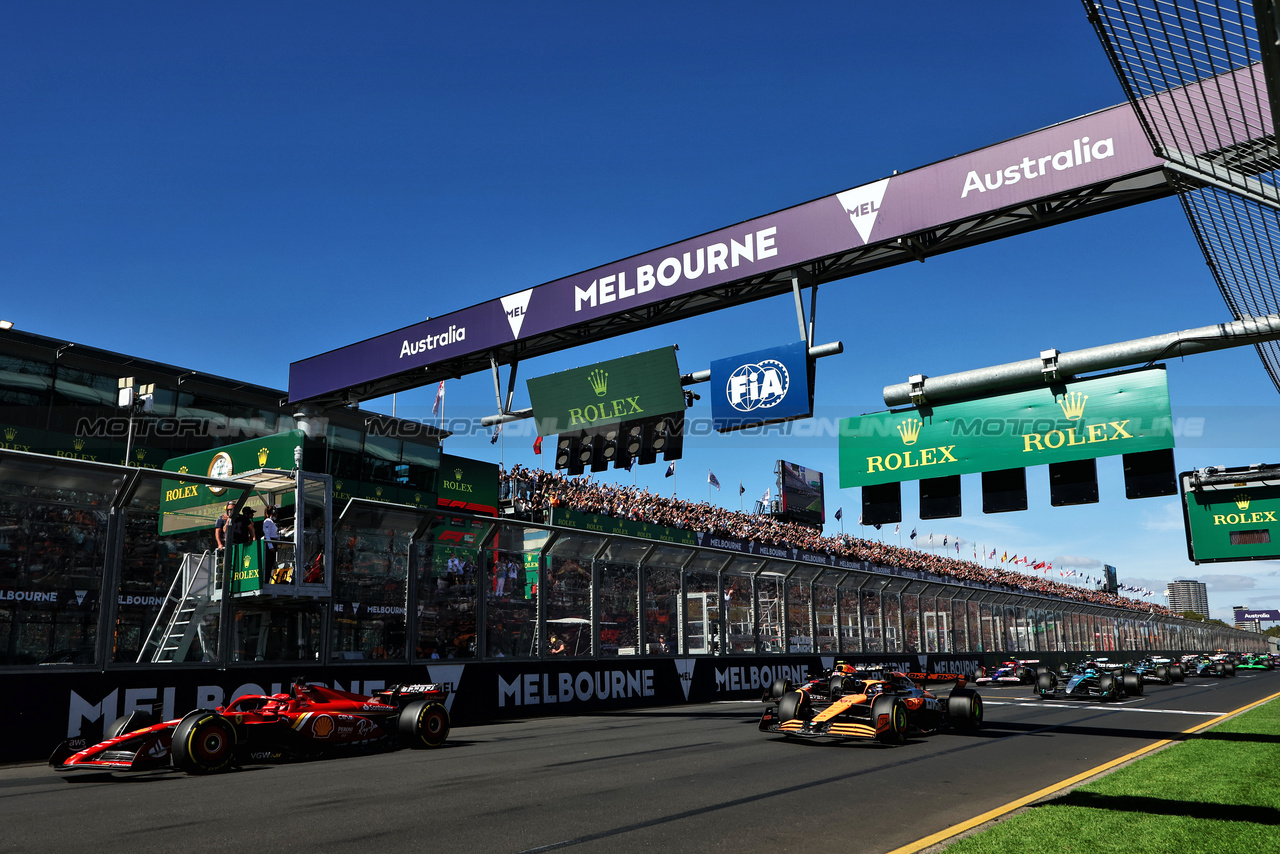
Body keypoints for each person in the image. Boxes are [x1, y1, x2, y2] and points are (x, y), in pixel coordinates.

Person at [262, 505, 278, 582]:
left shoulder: (273, 522)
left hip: (274, 542)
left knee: (271, 564)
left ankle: (267, 580)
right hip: (270, 544)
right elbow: (267, 534)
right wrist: (270, 546)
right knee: (268, 564)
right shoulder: (267, 521)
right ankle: (265, 581)